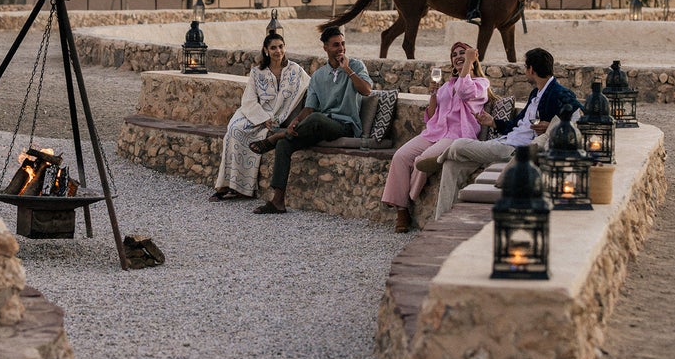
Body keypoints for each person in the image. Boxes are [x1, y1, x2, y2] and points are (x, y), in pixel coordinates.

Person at [434, 47, 580, 219]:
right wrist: (493, 122)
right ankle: (441, 220)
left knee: (458, 144)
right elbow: (518, 124)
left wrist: (550, 127)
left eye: (525, 67)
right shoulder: (536, 93)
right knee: (451, 165)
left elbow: (578, 113)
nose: (525, 71)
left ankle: (436, 159)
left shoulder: (558, 92)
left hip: (513, 150)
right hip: (505, 141)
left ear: (531, 69)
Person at [248, 26, 372, 214]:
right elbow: (309, 108)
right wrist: (295, 122)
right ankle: (278, 201)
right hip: (316, 125)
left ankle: (276, 137)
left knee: (315, 119)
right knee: (285, 146)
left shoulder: (355, 66)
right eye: (336, 45)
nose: (341, 49)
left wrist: (348, 70)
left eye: (343, 44)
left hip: (344, 125)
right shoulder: (318, 76)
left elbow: (366, 91)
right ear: (325, 48)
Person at [380, 42, 490, 232]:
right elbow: (431, 116)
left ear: (473, 57)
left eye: (462, 53)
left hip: (458, 136)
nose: (457, 56)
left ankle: (408, 201)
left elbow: (465, 92)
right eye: (454, 54)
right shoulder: (447, 86)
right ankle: (401, 208)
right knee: (400, 156)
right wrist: (433, 94)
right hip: (435, 132)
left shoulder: (481, 84)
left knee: (423, 160)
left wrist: (468, 63)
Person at [210, 33, 309, 202]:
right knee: (234, 131)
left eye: (281, 46)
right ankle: (229, 186)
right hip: (254, 115)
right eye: (273, 48)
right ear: (266, 50)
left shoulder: (295, 70)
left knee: (249, 135)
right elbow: (248, 100)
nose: (278, 51)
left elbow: (310, 87)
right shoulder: (257, 72)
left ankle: (242, 189)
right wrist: (263, 118)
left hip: (278, 118)